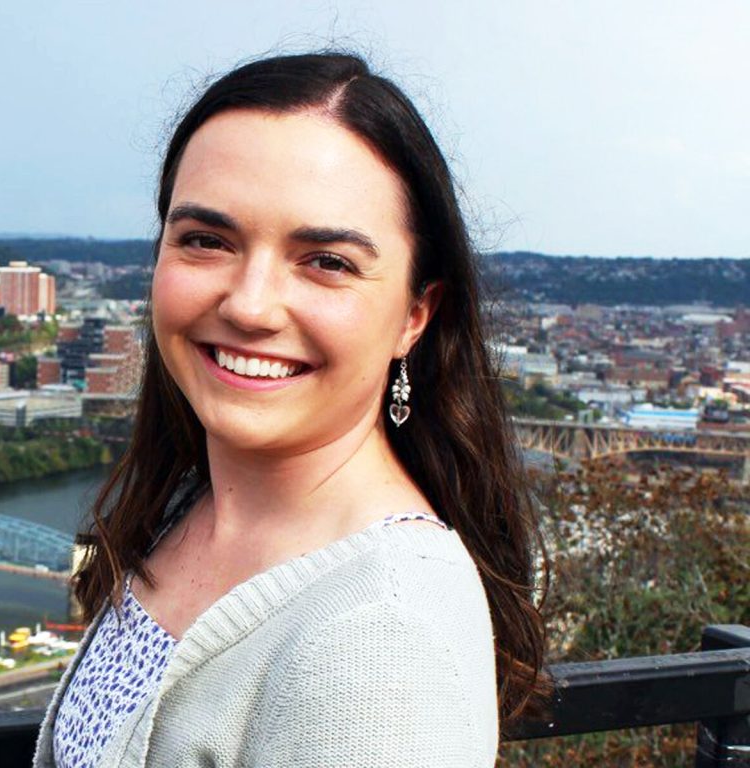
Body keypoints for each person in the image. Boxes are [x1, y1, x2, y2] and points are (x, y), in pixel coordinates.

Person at [33, 52, 549, 768]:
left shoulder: (383, 641)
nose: (250, 306)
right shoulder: (185, 508)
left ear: (415, 315)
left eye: (327, 261)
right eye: (206, 241)